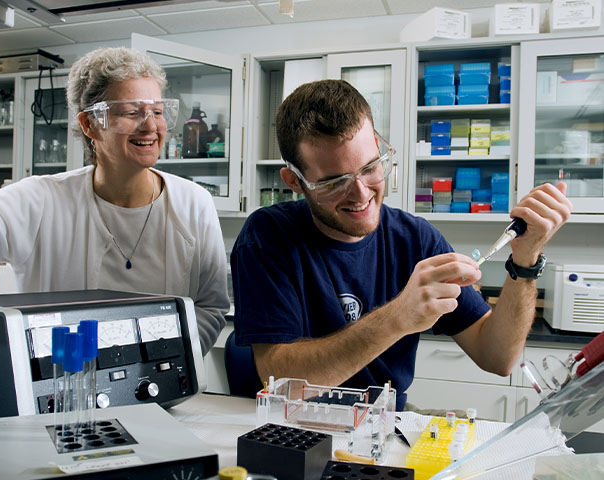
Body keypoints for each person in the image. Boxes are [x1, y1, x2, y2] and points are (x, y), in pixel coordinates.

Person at [231, 79, 572, 409]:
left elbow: (498, 357)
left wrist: (526, 263)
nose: (361, 194)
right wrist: (398, 317)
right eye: (334, 182)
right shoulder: (268, 236)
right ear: (294, 181)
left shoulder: (415, 239)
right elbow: (285, 383)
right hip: (293, 428)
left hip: (381, 429)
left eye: (370, 168)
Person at [0, 47, 229, 355]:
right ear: (90, 124)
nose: (150, 125)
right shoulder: (40, 199)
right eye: (131, 112)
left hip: (163, 390)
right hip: (62, 389)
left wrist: (156, 363)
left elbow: (210, 307)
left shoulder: (193, 202)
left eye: (157, 111)